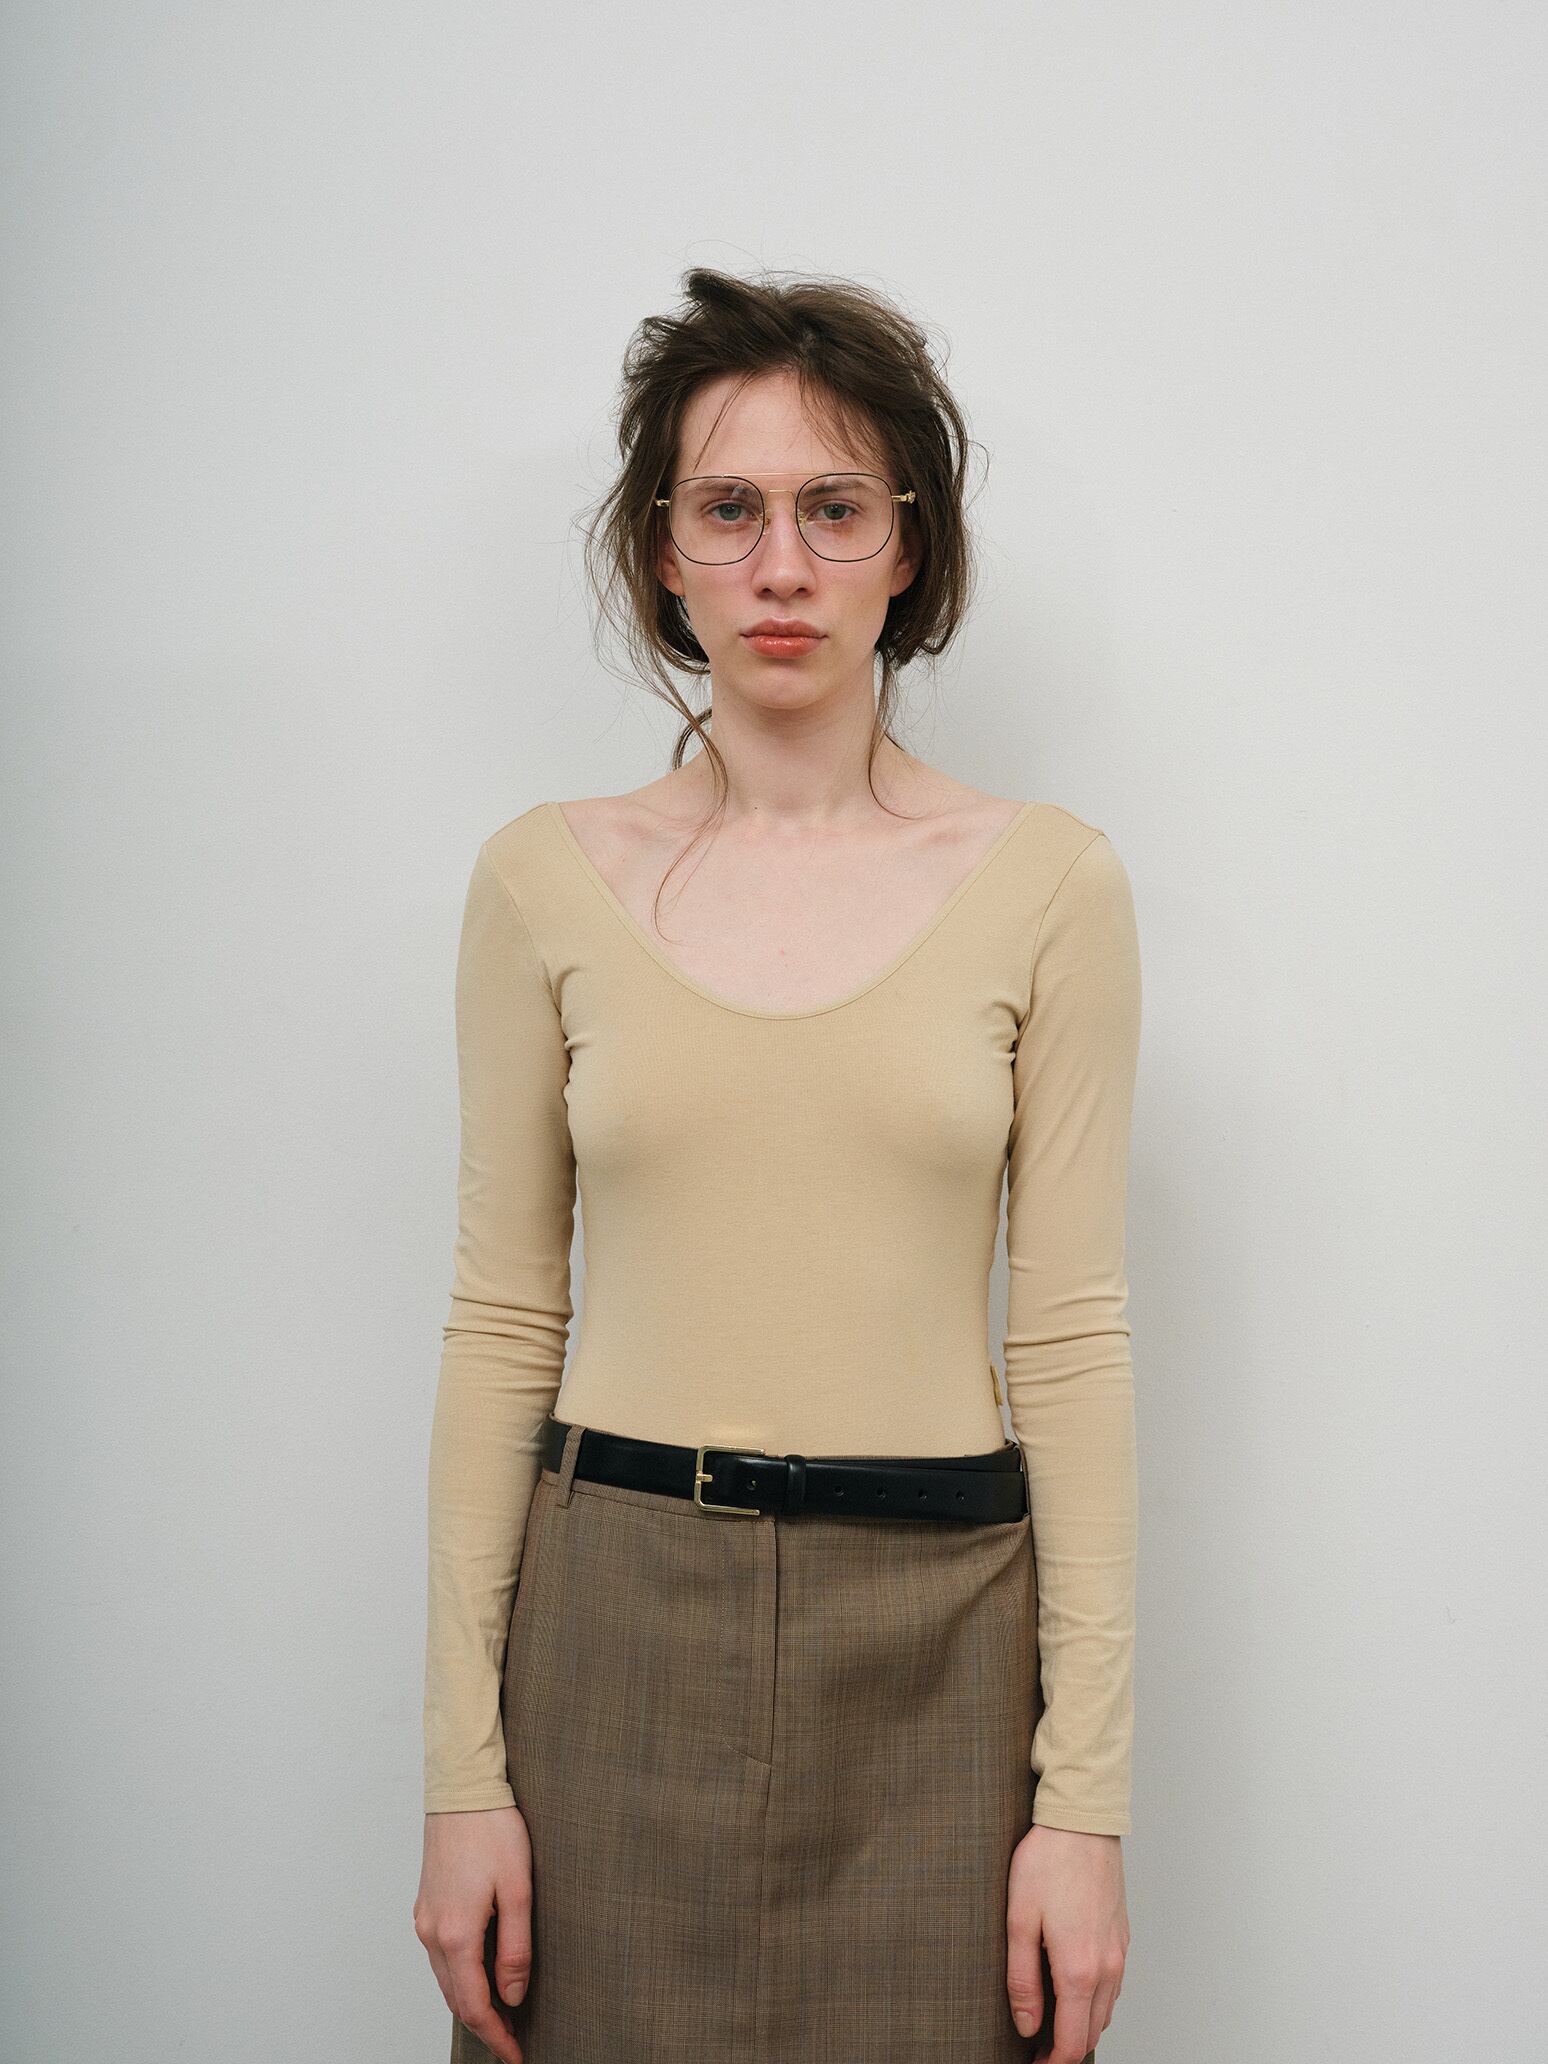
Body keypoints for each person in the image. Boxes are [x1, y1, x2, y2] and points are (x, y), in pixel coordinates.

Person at [413, 267, 1140, 2064]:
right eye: (728, 508)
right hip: (611, 1638)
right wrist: (461, 1777)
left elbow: (1069, 1343)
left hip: (941, 1647)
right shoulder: (542, 882)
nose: (783, 566)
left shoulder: (1049, 886)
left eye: (836, 507)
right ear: (662, 551)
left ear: (911, 546)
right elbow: (503, 1323)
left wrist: (1084, 1808)